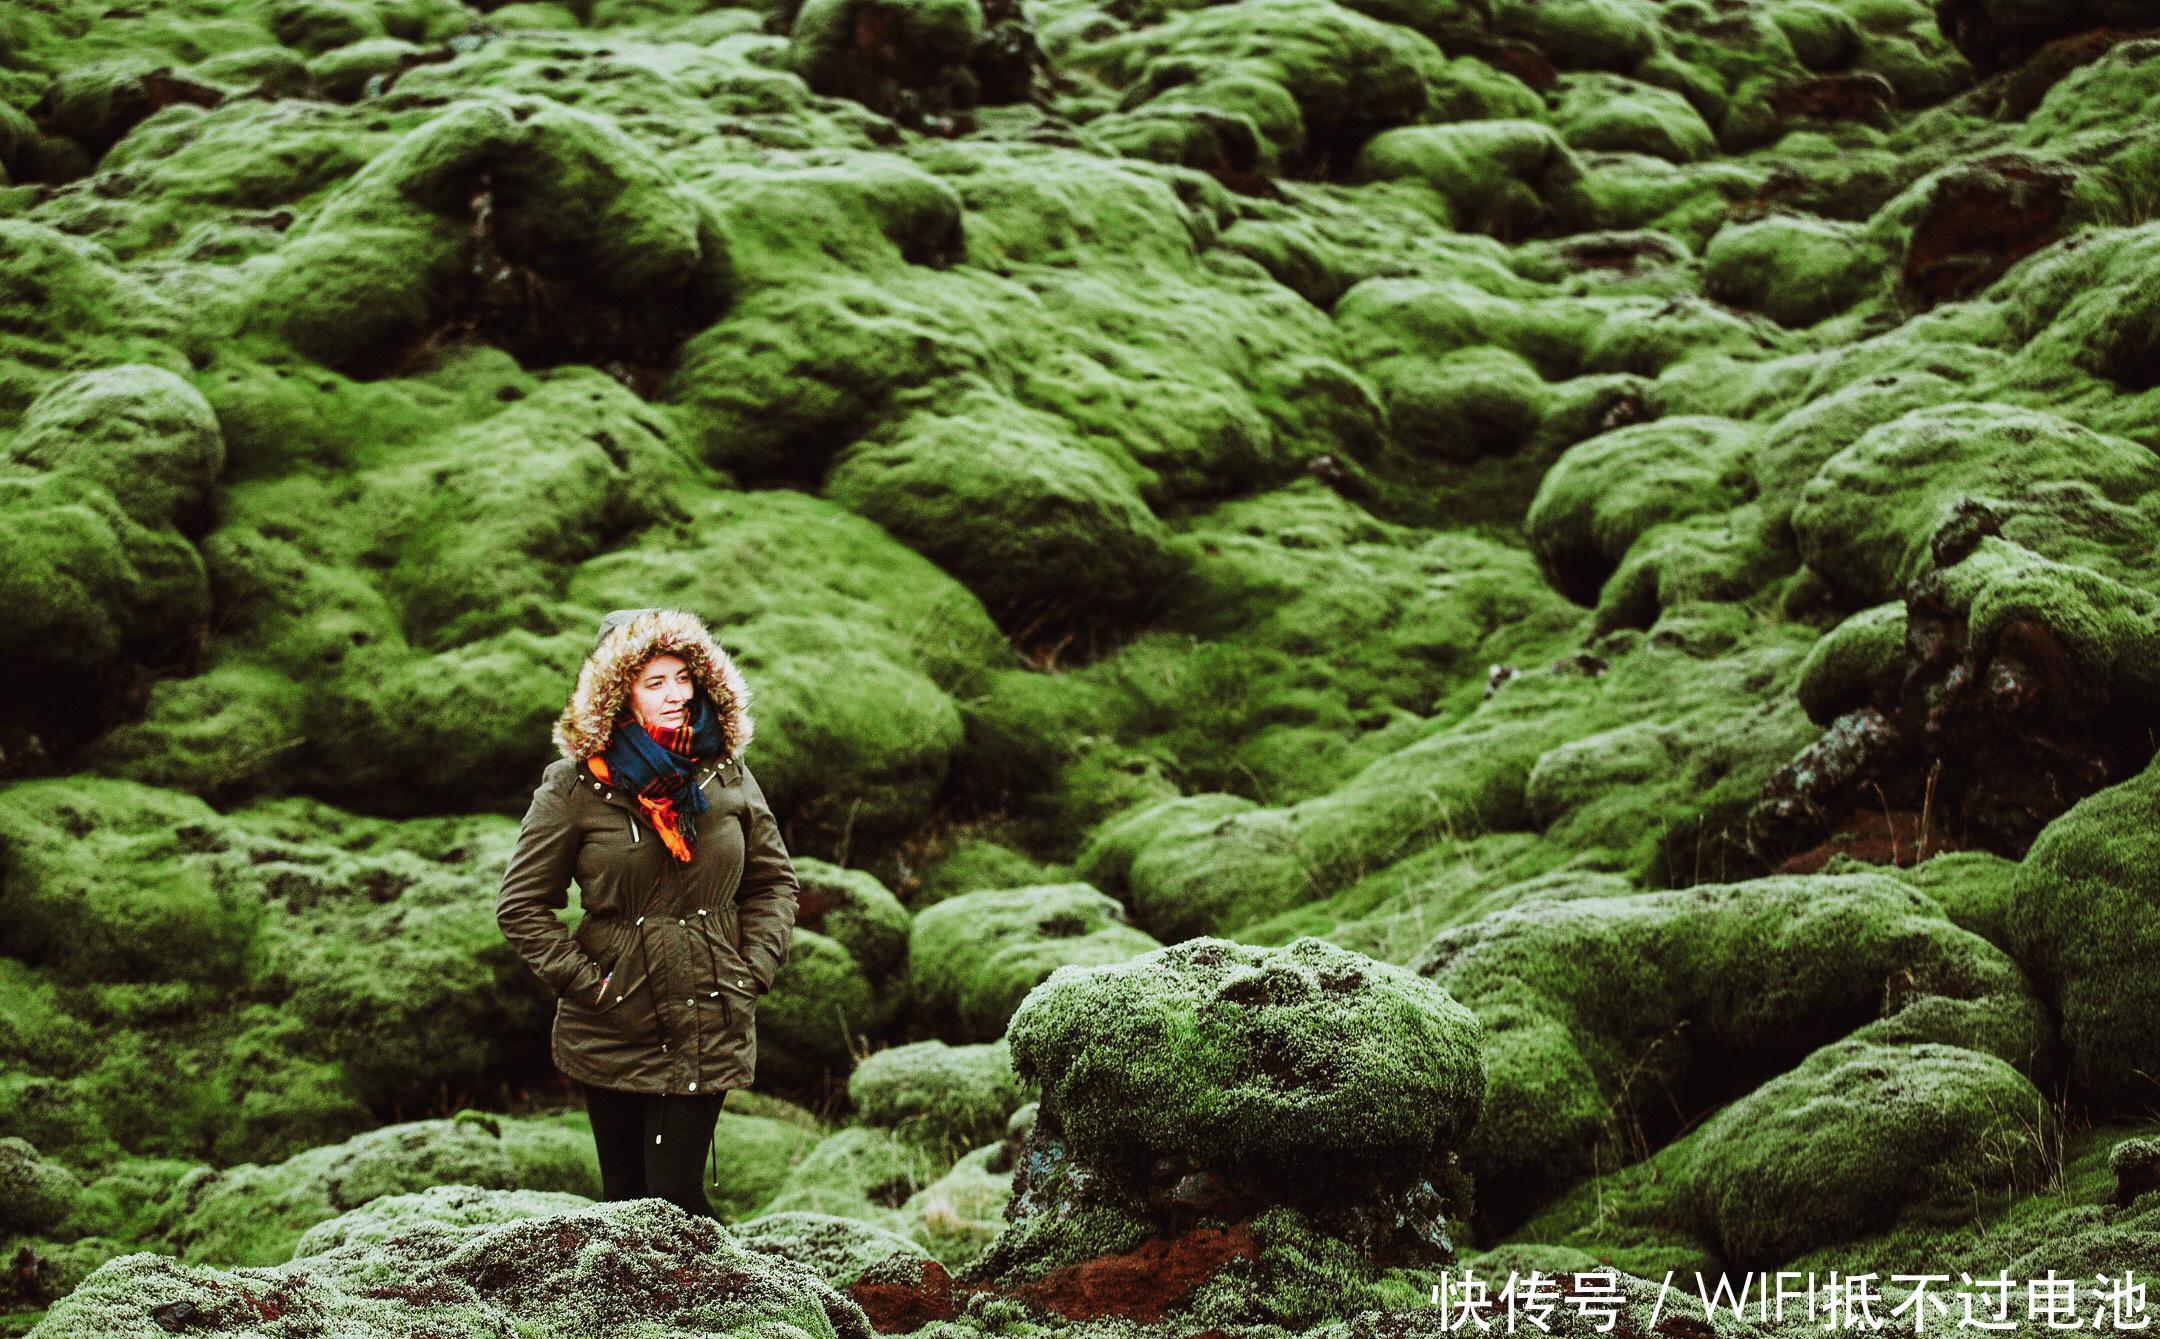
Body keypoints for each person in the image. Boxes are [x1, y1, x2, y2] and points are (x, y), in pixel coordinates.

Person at [495, 607, 800, 1220]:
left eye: (684, 678)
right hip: (614, 1020)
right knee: (625, 1204)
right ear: (618, 696)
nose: (676, 695)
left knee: (674, 1200)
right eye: (655, 682)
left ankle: (731, 1285)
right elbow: (521, 905)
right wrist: (592, 985)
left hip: (710, 1010)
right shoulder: (575, 788)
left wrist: (752, 969)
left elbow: (773, 884)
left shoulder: (727, 773)